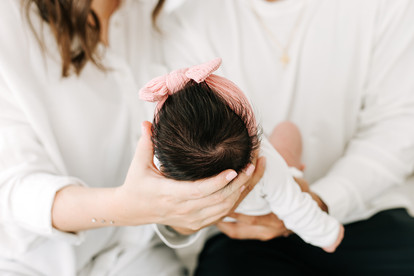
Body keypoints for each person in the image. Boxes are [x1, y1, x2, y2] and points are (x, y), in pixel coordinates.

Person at [0, 1, 265, 275]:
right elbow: (12, 191)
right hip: (32, 265)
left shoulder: (149, 15)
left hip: (139, 257)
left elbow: (165, 195)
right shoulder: (9, 25)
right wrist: (126, 207)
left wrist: (193, 211)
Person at [158, 0, 414, 274]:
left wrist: (321, 201)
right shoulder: (185, 22)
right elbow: (171, 146)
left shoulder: (386, 7)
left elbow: (398, 125)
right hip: (244, 233)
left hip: (364, 211)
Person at [140, 57, 344, 252]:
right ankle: (293, 169)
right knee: (287, 130)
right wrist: (328, 235)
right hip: (269, 205)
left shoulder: (164, 170)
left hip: (224, 220)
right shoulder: (266, 162)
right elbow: (296, 208)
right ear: (252, 135)